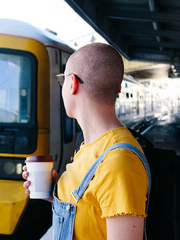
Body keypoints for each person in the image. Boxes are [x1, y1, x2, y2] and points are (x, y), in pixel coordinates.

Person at [23, 43, 150, 239]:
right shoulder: (89, 146)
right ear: (117, 88)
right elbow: (90, 210)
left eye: (62, 80)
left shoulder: (118, 161)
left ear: (72, 83)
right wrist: (54, 193)